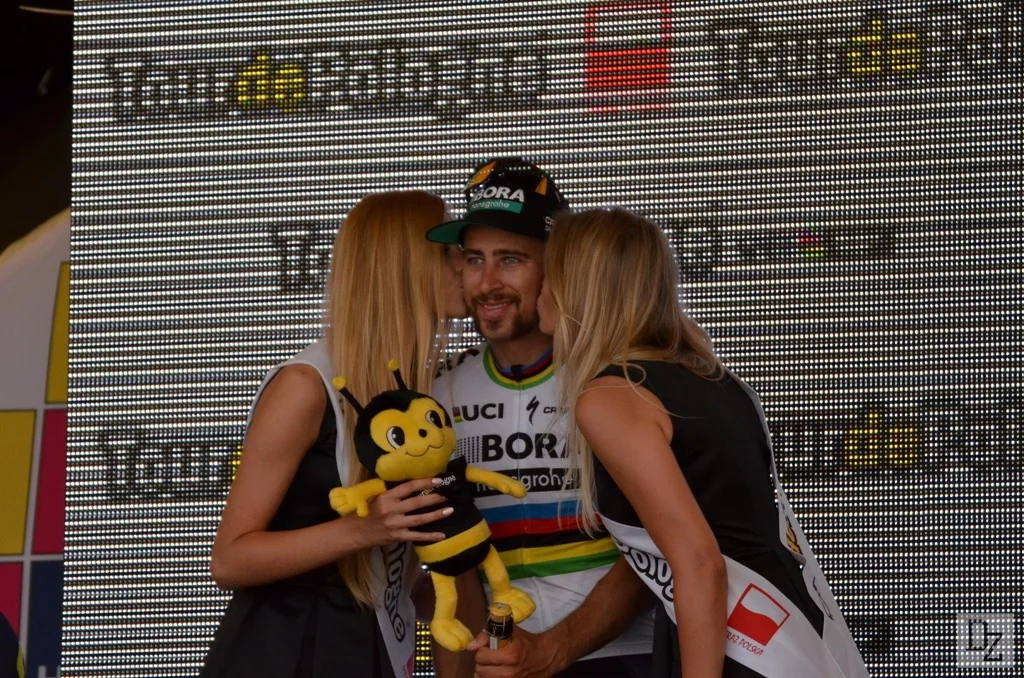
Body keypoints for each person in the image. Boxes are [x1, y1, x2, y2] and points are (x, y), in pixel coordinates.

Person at [537, 207, 870, 677]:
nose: (539, 291)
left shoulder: (612, 397)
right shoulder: (715, 379)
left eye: (549, 277)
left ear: (578, 291)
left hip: (739, 647)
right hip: (792, 632)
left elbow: (698, 564)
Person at [201, 190, 468, 678]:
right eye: (448, 252)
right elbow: (230, 560)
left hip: (368, 644)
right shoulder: (305, 386)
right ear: (406, 267)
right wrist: (363, 529)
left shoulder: (416, 391)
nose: (464, 265)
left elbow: (383, 573)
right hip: (286, 650)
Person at [426, 159, 655, 678]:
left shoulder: (613, 380)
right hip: (502, 658)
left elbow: (659, 544)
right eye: (474, 259)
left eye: (511, 259)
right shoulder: (436, 394)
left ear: (557, 268)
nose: (487, 283)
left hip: (620, 657)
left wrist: (556, 648)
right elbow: (454, 565)